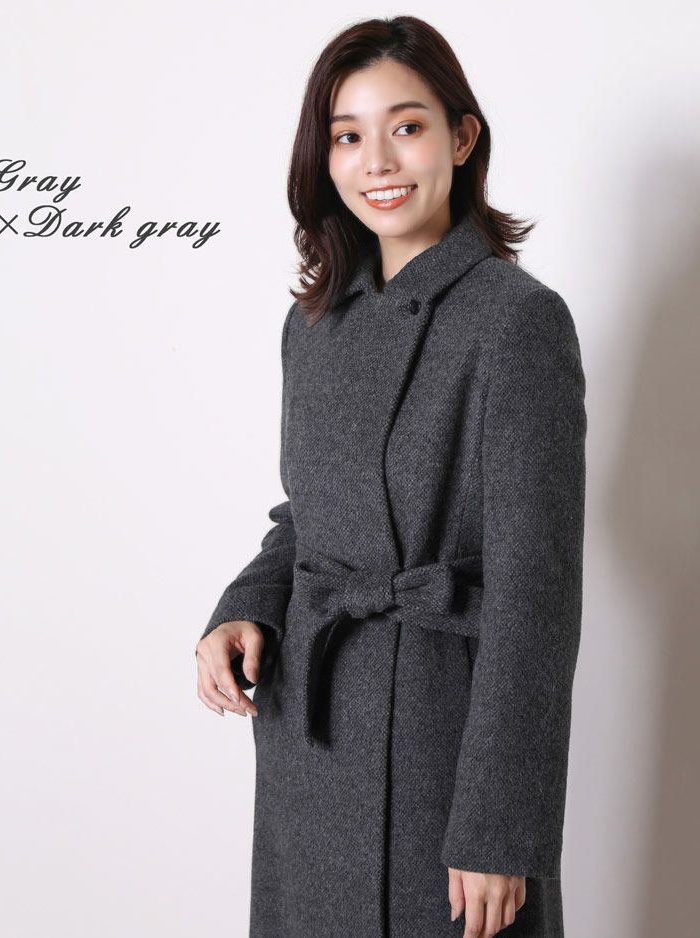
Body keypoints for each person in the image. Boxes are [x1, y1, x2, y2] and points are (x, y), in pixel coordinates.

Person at [195, 15, 586, 938]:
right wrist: (245, 606)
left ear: (462, 136)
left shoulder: (517, 322)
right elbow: (307, 516)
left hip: (439, 756)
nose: (377, 161)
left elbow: (537, 593)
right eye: (347, 135)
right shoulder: (315, 320)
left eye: (406, 126)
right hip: (309, 732)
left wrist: (499, 829)